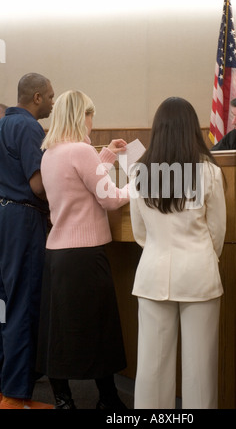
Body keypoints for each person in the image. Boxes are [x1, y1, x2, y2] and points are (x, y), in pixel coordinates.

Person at [129, 96, 227, 409]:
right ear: (191, 130)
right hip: (199, 274)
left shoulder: (139, 173)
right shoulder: (209, 172)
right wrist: (203, 258)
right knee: (200, 370)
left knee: (152, 368)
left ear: (157, 130)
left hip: (153, 273)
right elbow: (217, 231)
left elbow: (139, 233)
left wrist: (161, 249)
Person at [36, 90, 130, 410]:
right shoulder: (82, 150)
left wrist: (106, 157)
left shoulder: (50, 153)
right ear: (82, 117)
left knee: (58, 332)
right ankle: (108, 399)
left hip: (58, 254)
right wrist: (140, 182)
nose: (93, 122)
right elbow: (111, 198)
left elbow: (78, 182)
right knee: (99, 330)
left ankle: (63, 401)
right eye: (91, 115)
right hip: (86, 255)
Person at [0, 73, 55, 409]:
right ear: (36, 98)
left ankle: (4, 390)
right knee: (23, 306)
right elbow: (38, 185)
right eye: (49, 96)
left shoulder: (2, 124)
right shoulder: (30, 128)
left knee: (4, 306)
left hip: (3, 217)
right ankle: (16, 397)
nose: (52, 100)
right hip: (23, 220)